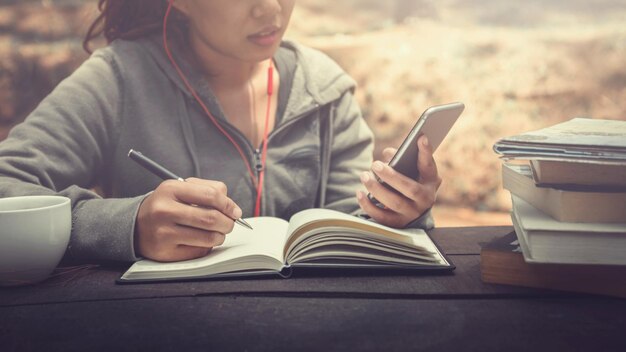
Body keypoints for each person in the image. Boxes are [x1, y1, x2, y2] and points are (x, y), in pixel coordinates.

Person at [0, 0, 441, 263]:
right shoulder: (118, 80)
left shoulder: (323, 89)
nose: (269, 8)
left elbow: (349, 227)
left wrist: (397, 214)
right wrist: (126, 227)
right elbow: (6, 186)